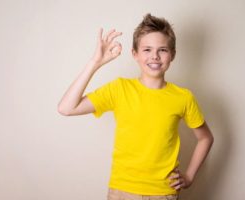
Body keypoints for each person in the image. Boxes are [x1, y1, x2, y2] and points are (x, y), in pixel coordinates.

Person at [58, 13, 214, 200]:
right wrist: (95, 63)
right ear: (135, 54)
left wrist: (189, 177)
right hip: (122, 191)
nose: (154, 56)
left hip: (163, 193)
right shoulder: (119, 88)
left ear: (172, 55)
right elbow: (66, 108)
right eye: (147, 49)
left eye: (162, 50)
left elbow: (206, 138)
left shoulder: (183, 97)